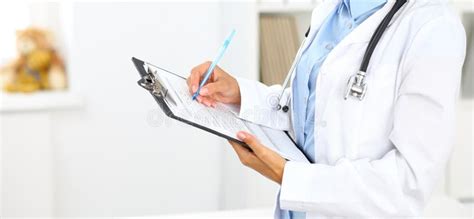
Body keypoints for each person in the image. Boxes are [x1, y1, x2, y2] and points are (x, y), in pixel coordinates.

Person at [187, 0, 466, 218]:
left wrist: (289, 176)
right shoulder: (331, 9)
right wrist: (239, 93)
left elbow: (407, 185)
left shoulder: (433, 27)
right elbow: (310, 112)